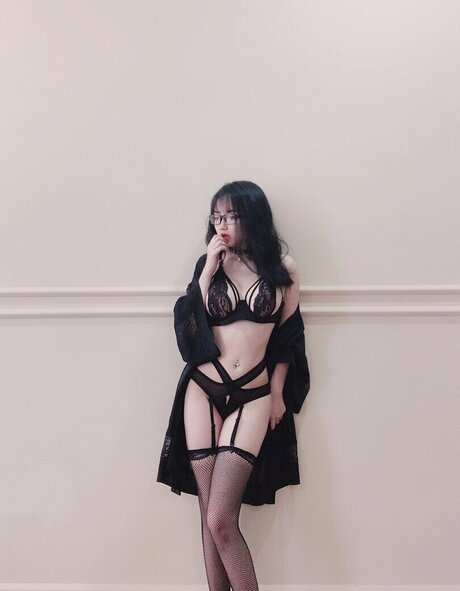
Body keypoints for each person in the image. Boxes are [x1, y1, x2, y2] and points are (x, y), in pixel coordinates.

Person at [157, 181, 310, 590]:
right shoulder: (209, 265)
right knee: (209, 515)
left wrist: (278, 393)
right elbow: (189, 331)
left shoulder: (284, 268)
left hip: (254, 395)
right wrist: (207, 271)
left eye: (230, 216)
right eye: (216, 216)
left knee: (221, 518)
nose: (221, 224)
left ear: (252, 216)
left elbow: (289, 338)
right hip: (202, 389)